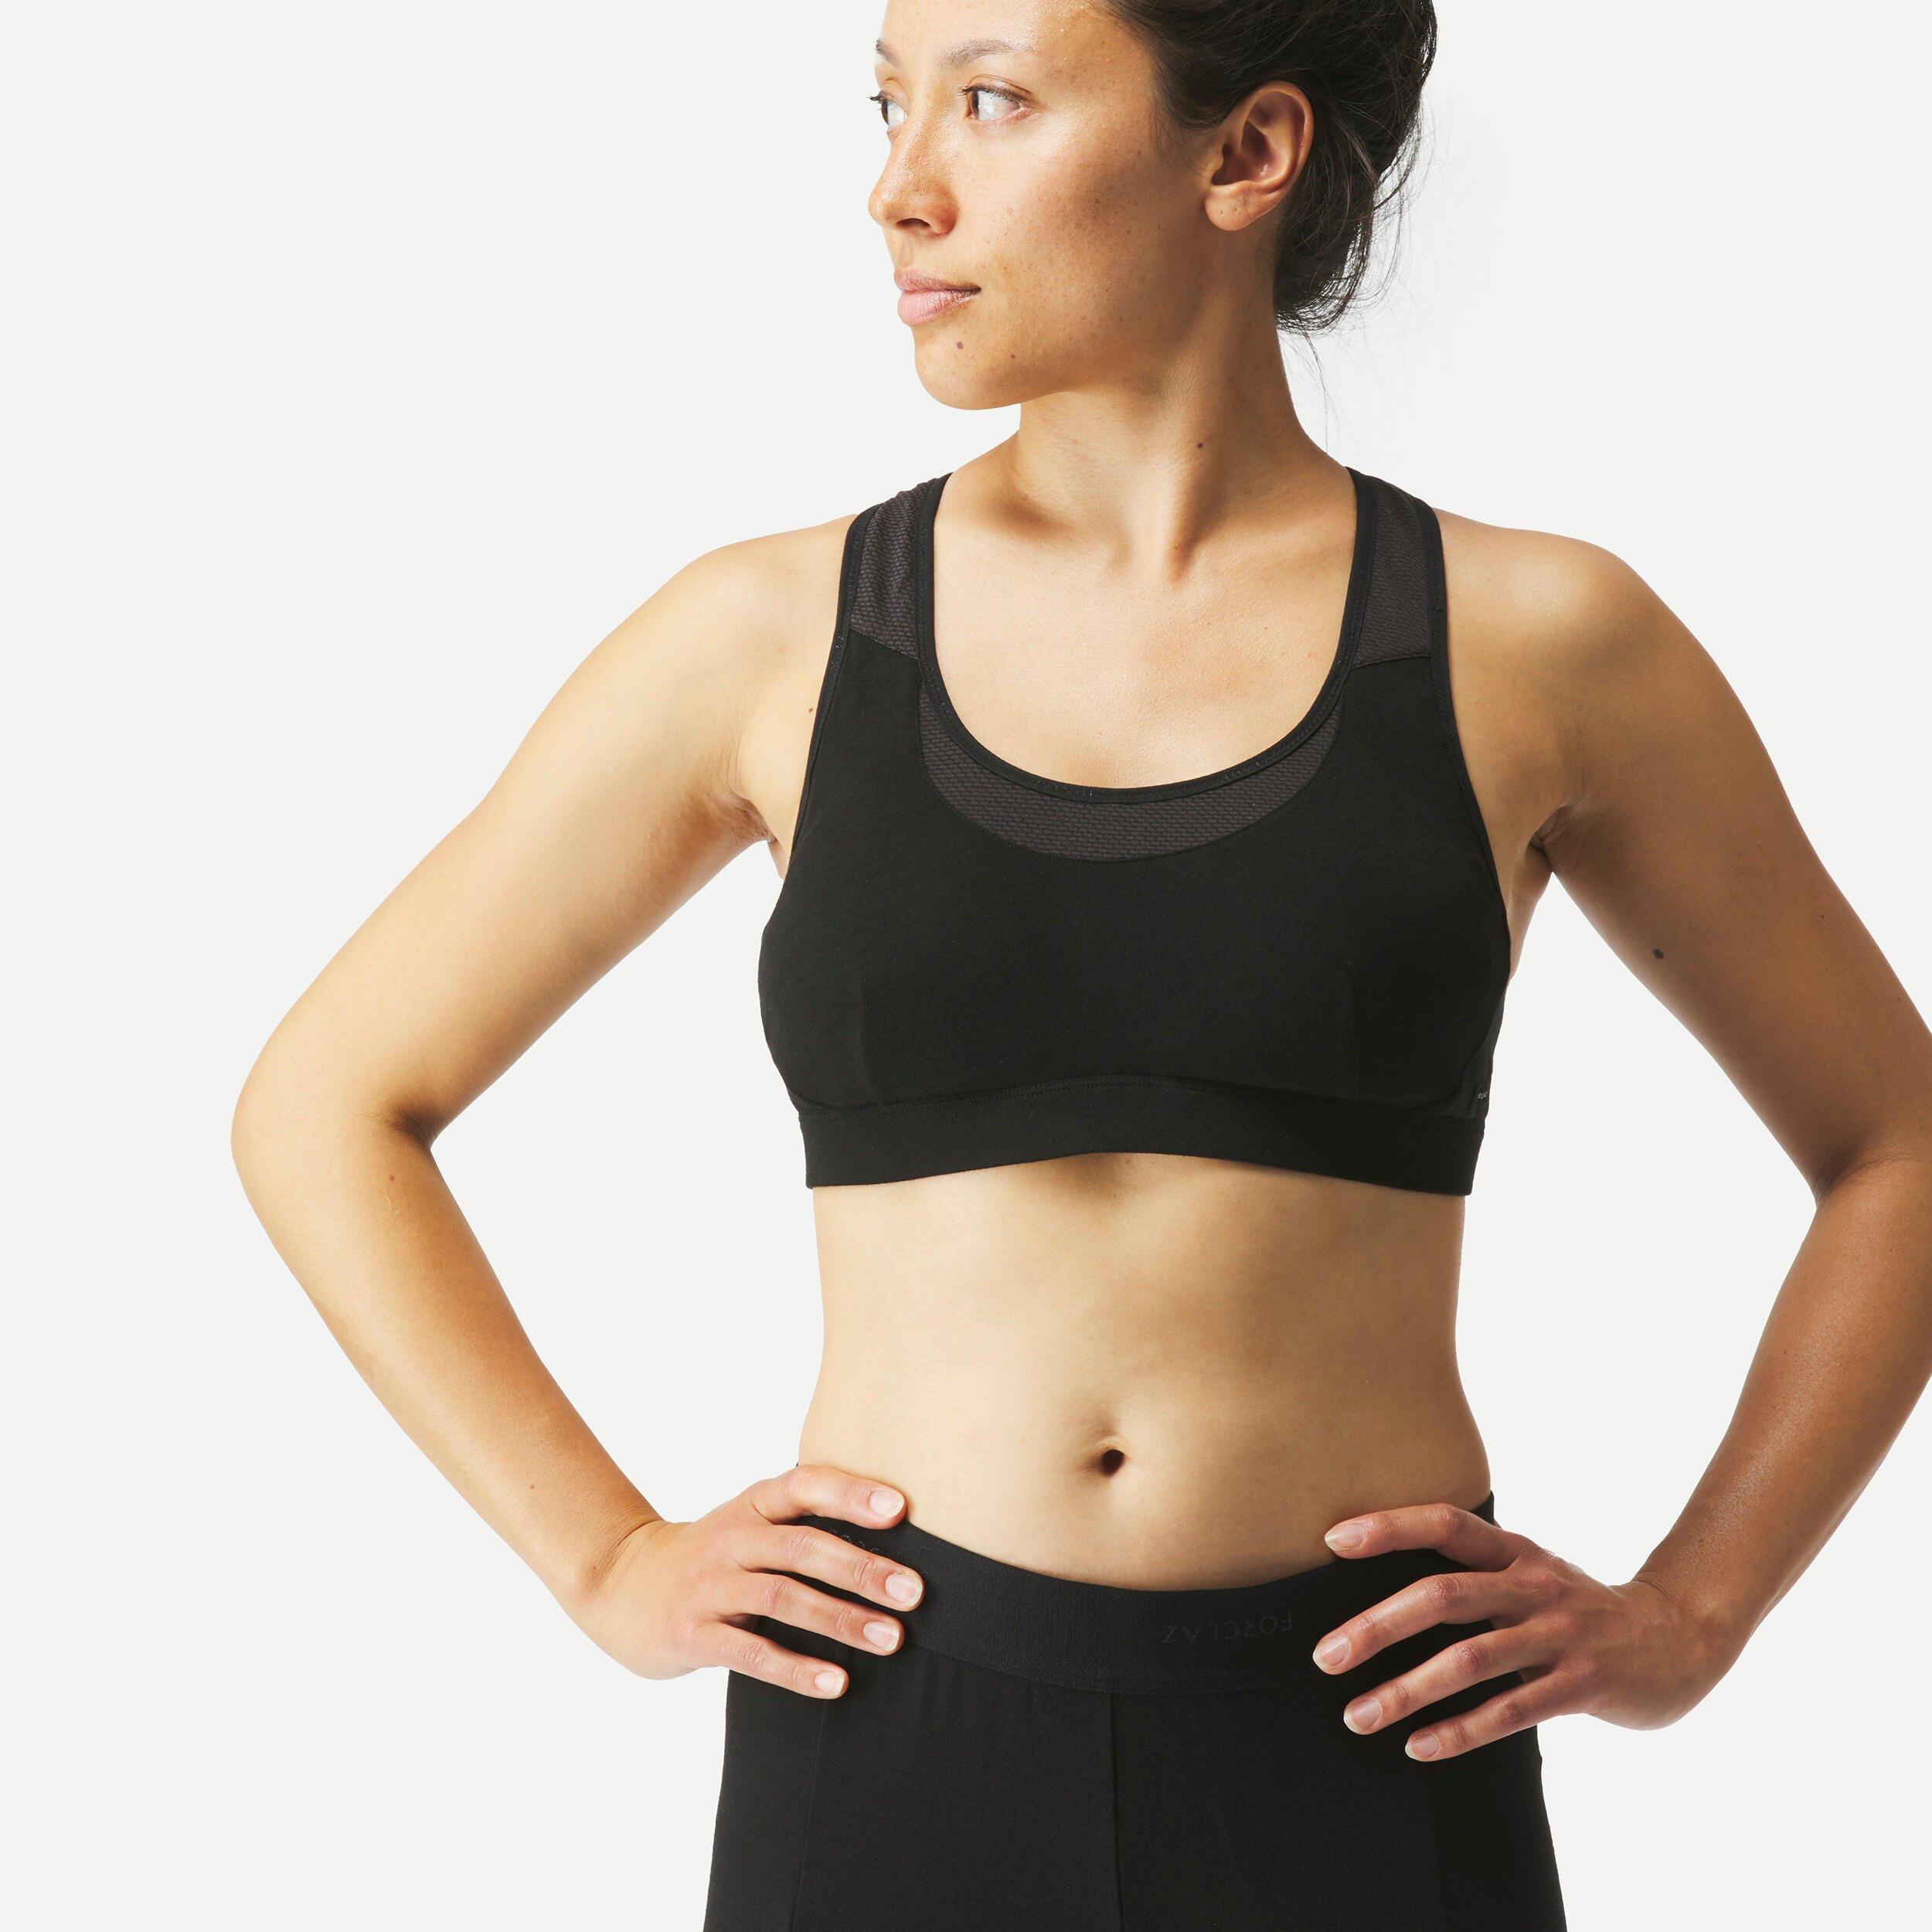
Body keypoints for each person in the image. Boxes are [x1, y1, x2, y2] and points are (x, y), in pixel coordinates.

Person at [230, 3, 1932, 1927]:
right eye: (886, 106)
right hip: (884, 1733)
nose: (899, 189)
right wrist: (607, 1555)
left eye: (990, 100)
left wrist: (1693, 1613)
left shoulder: (1538, 641)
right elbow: (326, 1103)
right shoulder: (767, 638)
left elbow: (1895, 1140)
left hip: (1370, 1743)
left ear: (1244, 152)